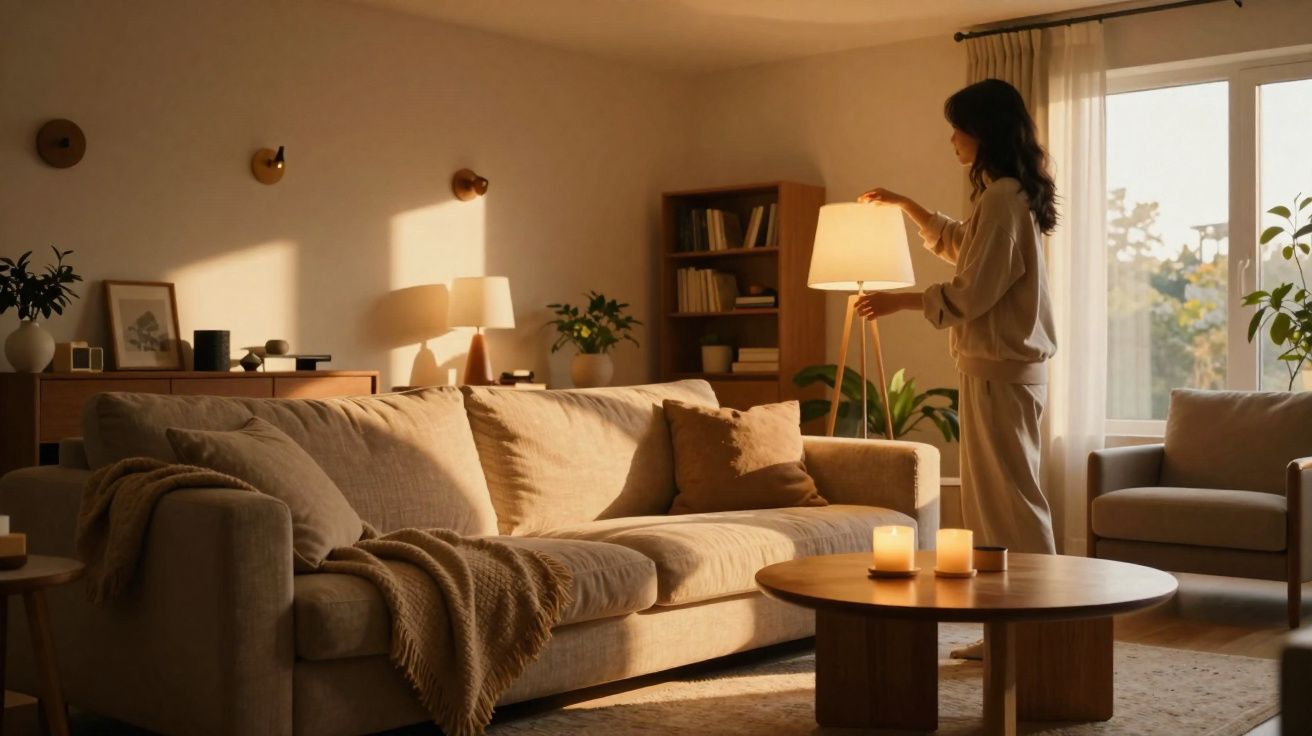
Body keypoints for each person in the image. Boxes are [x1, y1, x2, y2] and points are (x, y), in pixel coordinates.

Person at [856, 78, 1059, 561]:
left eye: (958, 129)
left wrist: (897, 302)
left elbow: (972, 292)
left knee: (1007, 506)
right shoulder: (1008, 196)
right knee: (1000, 504)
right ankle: (1010, 628)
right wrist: (906, 205)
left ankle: (1039, 623)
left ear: (982, 132)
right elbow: (967, 249)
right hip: (1002, 372)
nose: (952, 140)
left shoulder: (1002, 199)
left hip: (999, 373)